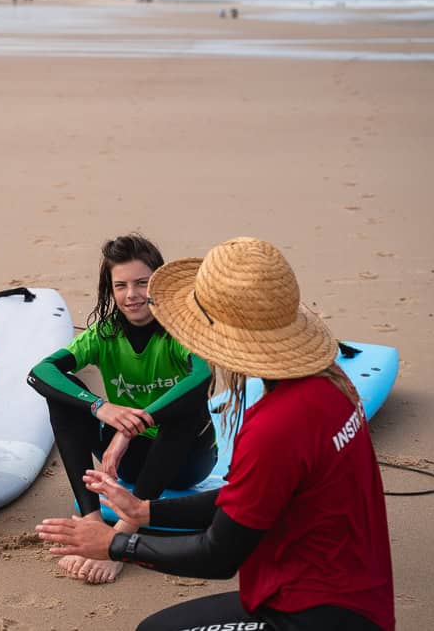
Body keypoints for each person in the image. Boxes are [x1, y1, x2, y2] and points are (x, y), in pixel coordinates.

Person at [37, 237, 394, 630]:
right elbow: (245, 497)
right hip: (342, 593)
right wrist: (145, 511)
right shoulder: (331, 382)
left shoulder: (274, 427)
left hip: (314, 616)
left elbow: (218, 555)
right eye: (121, 286)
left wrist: (116, 545)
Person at [27, 234, 216, 584]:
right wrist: (100, 407)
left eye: (142, 283)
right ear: (110, 290)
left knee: (187, 406)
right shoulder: (104, 334)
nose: (132, 295)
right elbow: (41, 372)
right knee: (63, 394)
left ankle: (124, 532)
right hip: (128, 462)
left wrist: (131, 427)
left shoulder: (180, 332)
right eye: (121, 285)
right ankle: (92, 521)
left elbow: (203, 378)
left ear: (158, 283)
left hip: (187, 459)